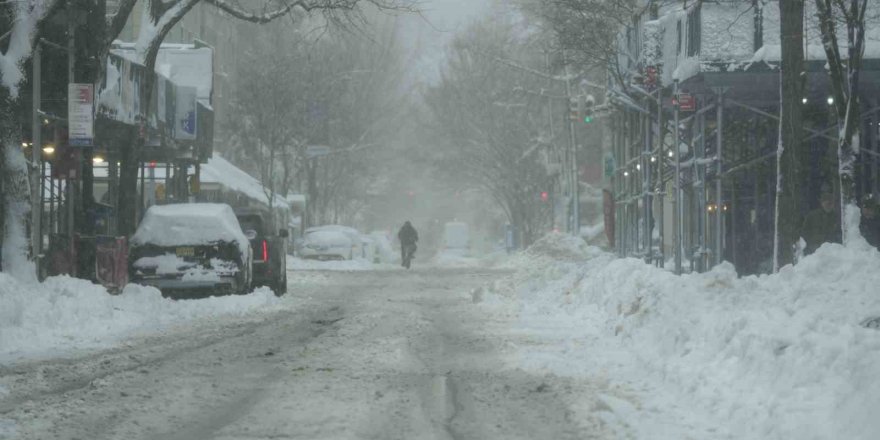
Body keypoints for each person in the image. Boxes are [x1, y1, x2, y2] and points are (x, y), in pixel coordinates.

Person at [801, 185, 841, 255]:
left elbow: (839, 234)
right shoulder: (812, 216)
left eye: (831, 203)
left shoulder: (837, 217)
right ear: (822, 203)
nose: (828, 205)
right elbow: (805, 233)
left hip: (833, 252)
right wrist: (812, 245)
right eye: (826, 203)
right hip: (814, 251)